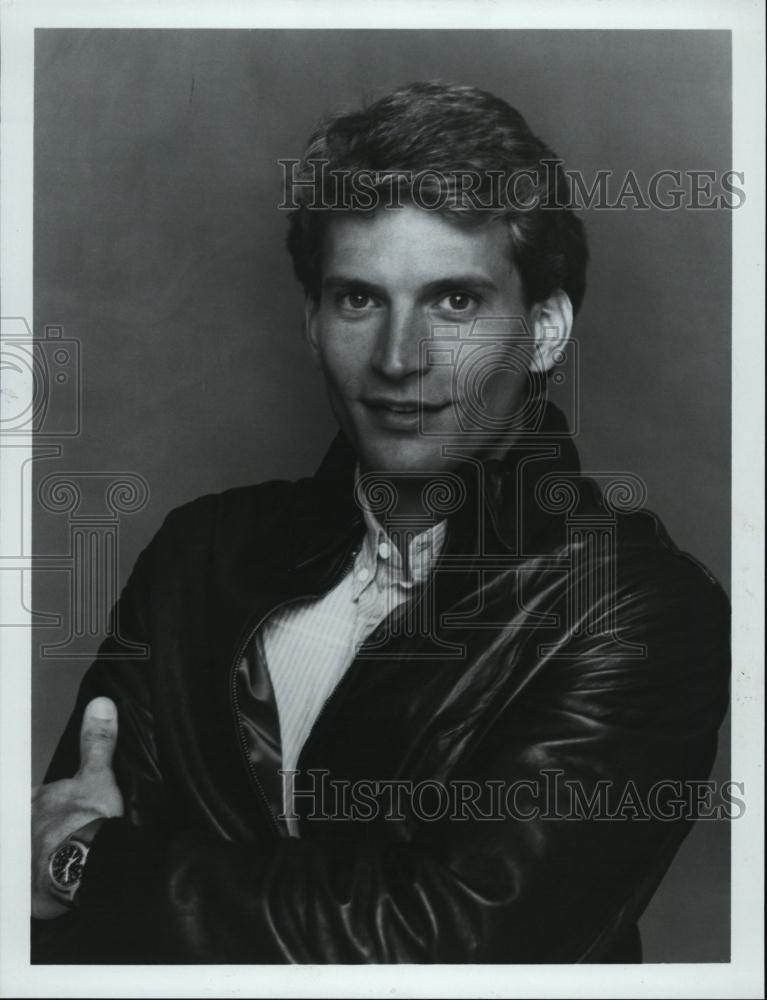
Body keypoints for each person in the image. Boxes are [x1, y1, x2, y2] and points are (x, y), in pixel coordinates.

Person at [31, 81, 730, 964]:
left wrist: (91, 866)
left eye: (455, 302)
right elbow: (42, 919)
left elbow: (450, 948)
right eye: (359, 299)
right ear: (313, 322)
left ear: (545, 330)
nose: (400, 359)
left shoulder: (635, 607)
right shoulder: (199, 554)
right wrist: (68, 867)